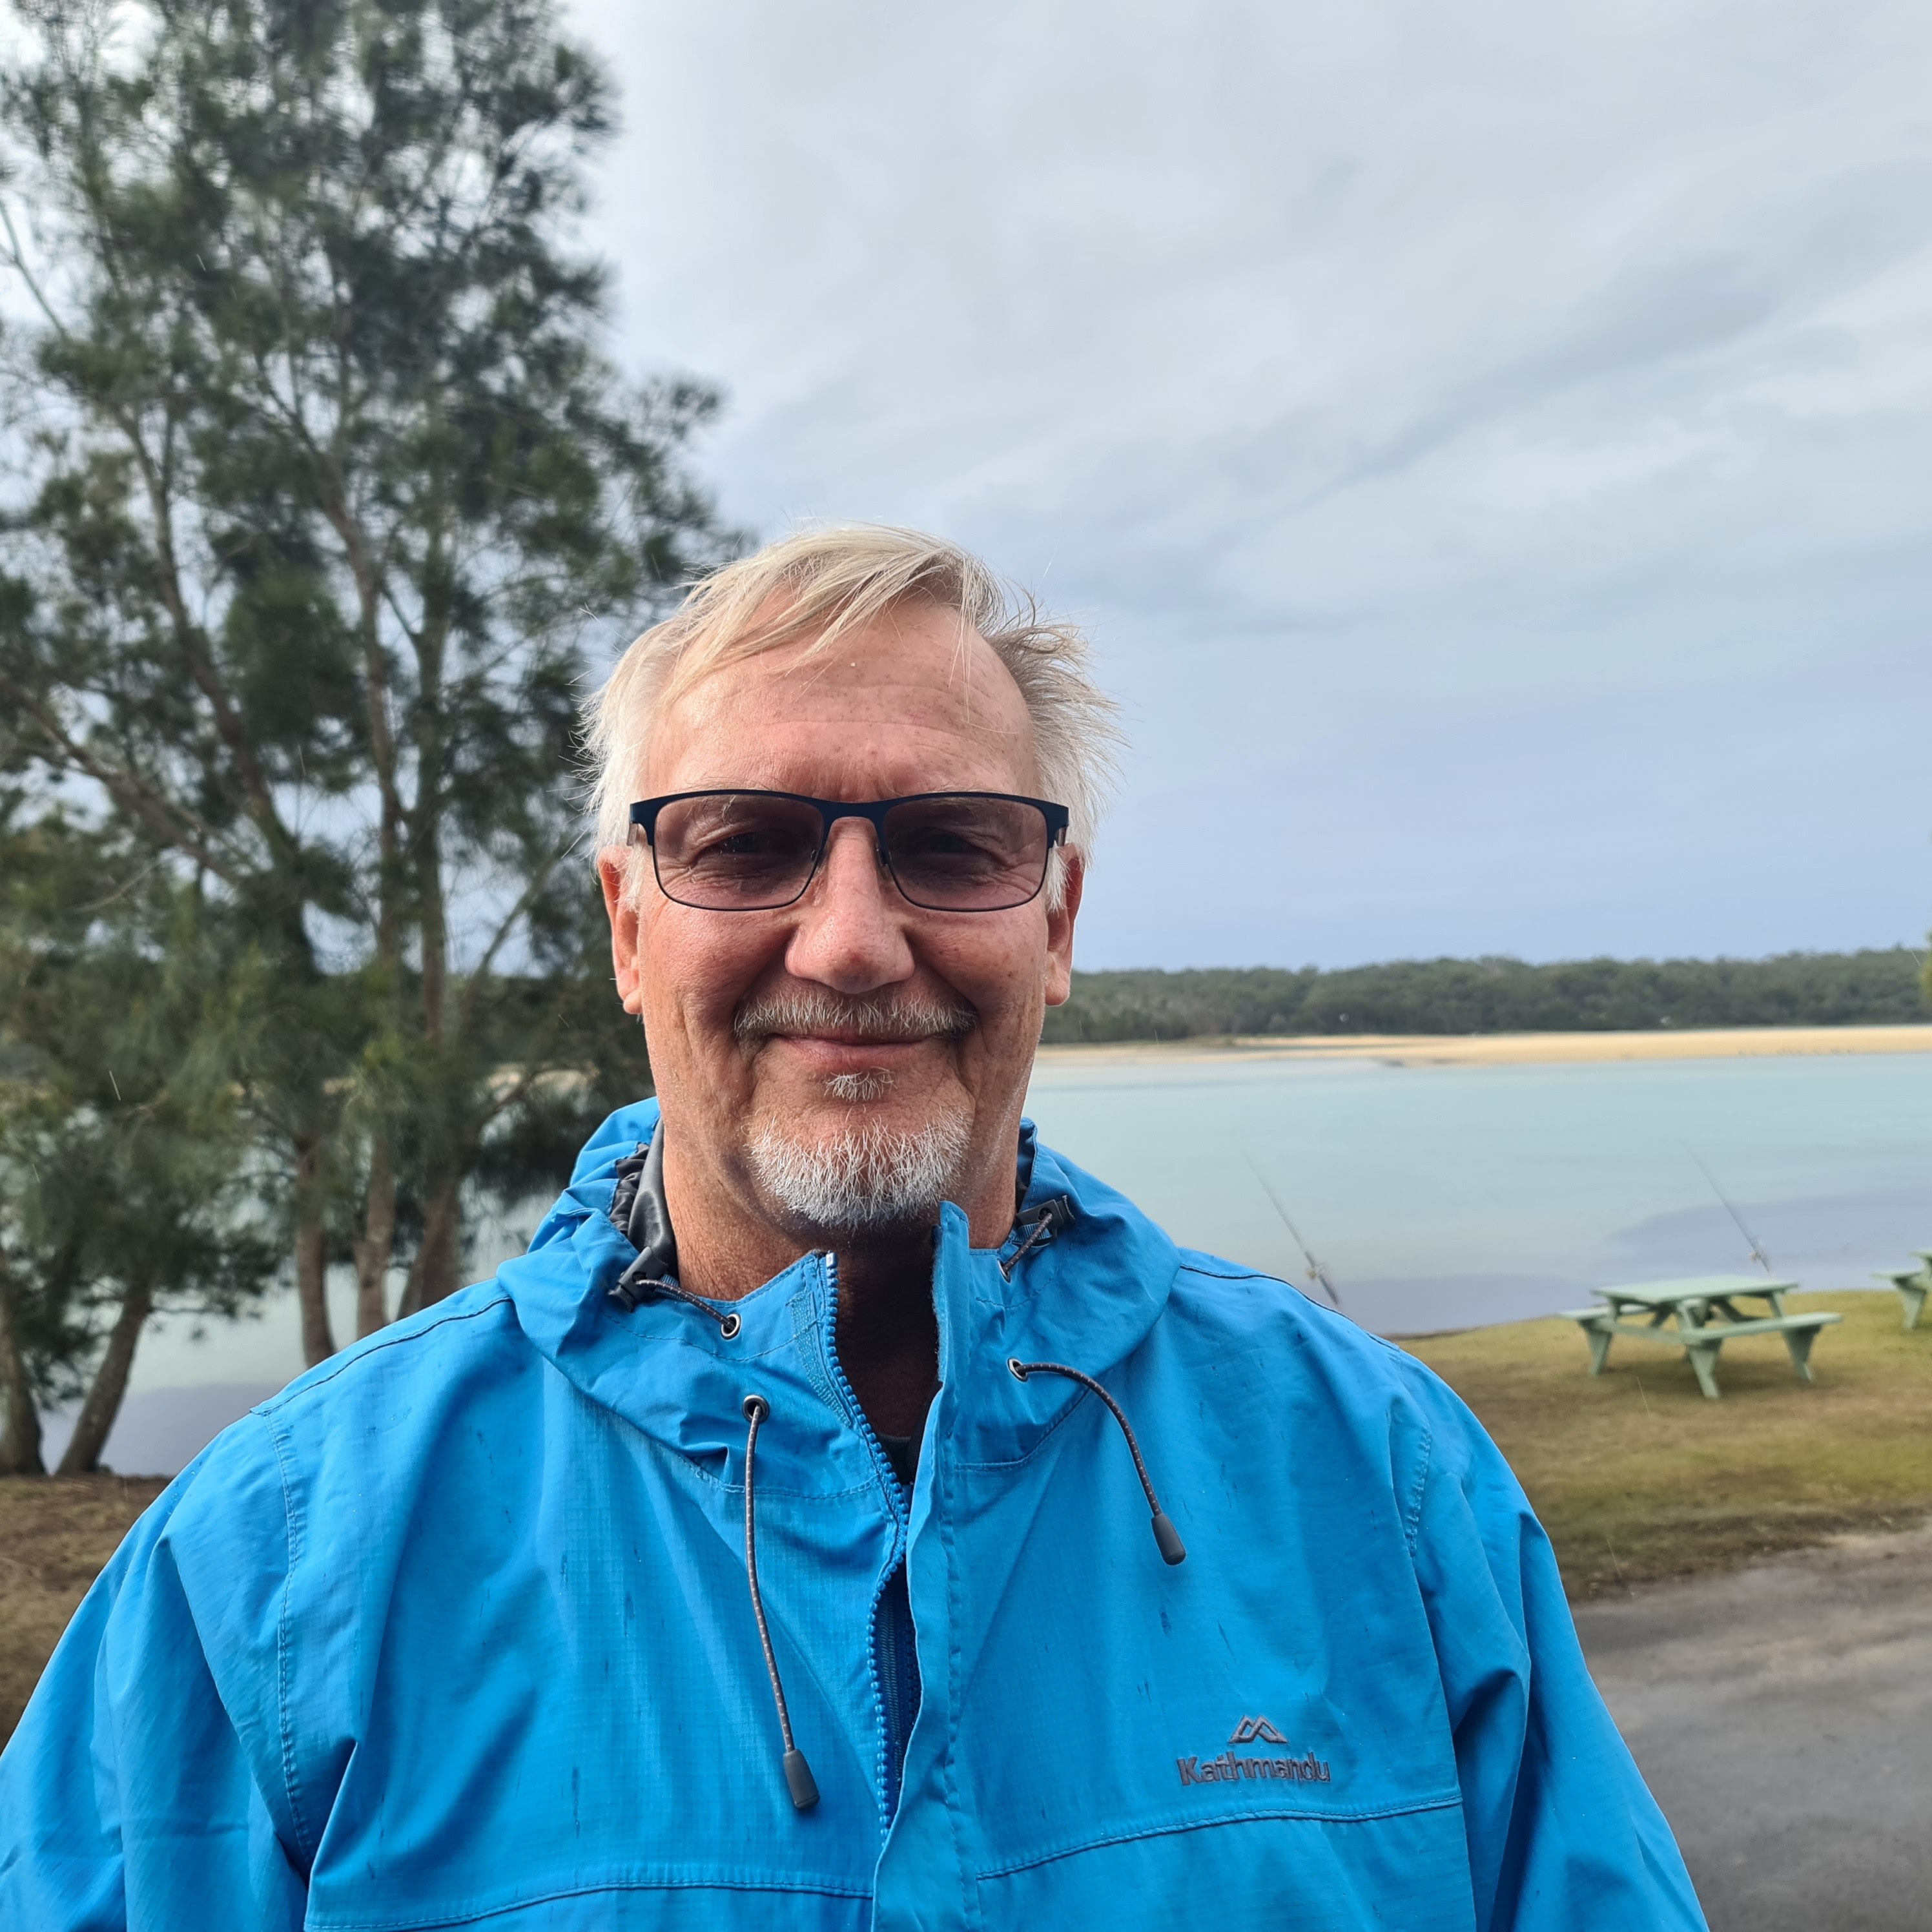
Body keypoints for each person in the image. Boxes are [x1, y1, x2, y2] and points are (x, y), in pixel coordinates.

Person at [0, 526, 1707, 1930]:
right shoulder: (274, 1567)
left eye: (954, 845)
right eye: (744, 846)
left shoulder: (1385, 1486)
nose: (850, 941)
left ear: (1056, 922)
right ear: (626, 928)